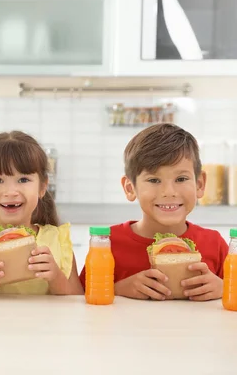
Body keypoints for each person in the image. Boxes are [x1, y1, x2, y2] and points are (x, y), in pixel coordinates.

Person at [79, 123, 228, 301]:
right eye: (154, 180)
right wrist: (116, 289)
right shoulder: (106, 245)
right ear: (130, 188)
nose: (169, 191)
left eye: (181, 178)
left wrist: (224, 288)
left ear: (200, 184)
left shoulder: (215, 243)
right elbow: (81, 300)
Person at [0, 131, 83, 295]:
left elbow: (79, 305)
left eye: (23, 180)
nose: (11, 192)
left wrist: (56, 278)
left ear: (42, 187)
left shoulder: (58, 239)